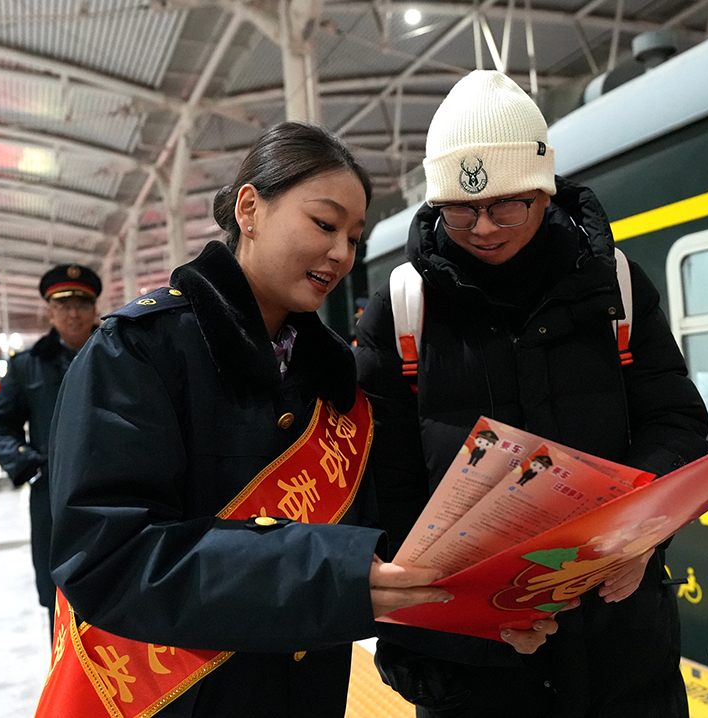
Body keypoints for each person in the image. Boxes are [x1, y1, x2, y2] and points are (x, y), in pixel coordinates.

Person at [34, 122, 450, 718]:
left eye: (354, 238)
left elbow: (383, 537)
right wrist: (324, 576)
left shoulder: (336, 382)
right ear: (249, 208)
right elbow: (106, 556)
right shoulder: (138, 354)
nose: (341, 253)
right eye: (325, 224)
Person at [355, 71, 708, 718]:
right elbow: (388, 485)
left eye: (507, 204)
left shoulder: (614, 287)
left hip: (620, 648)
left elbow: (676, 420)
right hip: (478, 666)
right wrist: (445, 626)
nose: (483, 227)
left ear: (545, 190)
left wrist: (641, 538)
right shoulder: (403, 310)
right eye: (459, 210)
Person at [0, 262, 102, 633]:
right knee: (59, 599)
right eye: (63, 305)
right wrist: (29, 465)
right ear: (49, 311)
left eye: (81, 304)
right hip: (53, 500)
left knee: (122, 584)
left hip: (118, 489)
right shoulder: (27, 366)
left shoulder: (123, 353)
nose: (73, 313)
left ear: (95, 308)